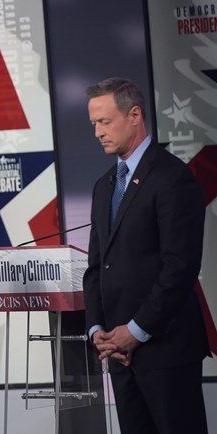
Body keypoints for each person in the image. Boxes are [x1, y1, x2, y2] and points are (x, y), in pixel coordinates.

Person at [83, 78, 209, 434]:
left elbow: (179, 268)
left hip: (165, 349)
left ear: (134, 115)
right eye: (93, 123)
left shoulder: (172, 177)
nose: (97, 133)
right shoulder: (103, 186)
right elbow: (96, 268)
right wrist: (98, 330)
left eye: (104, 122)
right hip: (119, 355)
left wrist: (135, 332)